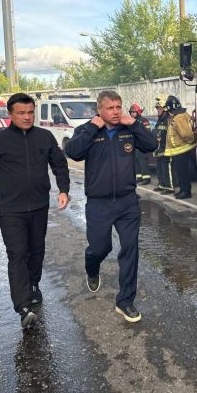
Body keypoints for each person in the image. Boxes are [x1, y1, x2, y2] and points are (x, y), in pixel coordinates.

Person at [0, 93, 70, 329]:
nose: (27, 117)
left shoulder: (45, 137)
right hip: (11, 210)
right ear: (10, 114)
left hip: (39, 207)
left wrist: (63, 189)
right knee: (17, 253)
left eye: (30, 112)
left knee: (36, 250)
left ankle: (34, 284)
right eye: (21, 113)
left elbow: (59, 164)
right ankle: (23, 305)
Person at [65, 90, 157, 323]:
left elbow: (151, 145)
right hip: (99, 203)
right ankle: (92, 266)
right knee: (99, 248)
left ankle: (125, 301)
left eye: (119, 107)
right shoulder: (87, 130)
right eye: (110, 108)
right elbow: (73, 152)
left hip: (127, 202)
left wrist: (134, 124)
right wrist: (91, 128)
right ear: (99, 110)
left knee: (129, 250)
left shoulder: (129, 129)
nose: (116, 112)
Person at [163, 95, 195, 200]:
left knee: (182, 172)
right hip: (180, 149)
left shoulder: (179, 117)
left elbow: (186, 134)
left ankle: (186, 191)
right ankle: (183, 190)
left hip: (181, 149)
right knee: (180, 172)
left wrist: (190, 141)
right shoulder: (180, 115)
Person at [153, 94, 175, 194]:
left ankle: (169, 187)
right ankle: (162, 185)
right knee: (160, 167)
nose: (158, 109)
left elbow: (170, 134)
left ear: (165, 108)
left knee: (166, 168)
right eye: (157, 108)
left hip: (166, 148)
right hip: (159, 148)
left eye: (160, 108)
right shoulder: (160, 119)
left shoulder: (168, 119)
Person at [129, 103, 151, 185]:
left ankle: (146, 178)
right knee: (136, 161)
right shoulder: (131, 121)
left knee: (143, 161)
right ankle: (139, 177)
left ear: (138, 112)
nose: (132, 114)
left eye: (134, 112)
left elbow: (147, 132)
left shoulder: (143, 120)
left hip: (142, 145)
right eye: (131, 112)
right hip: (135, 145)